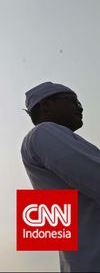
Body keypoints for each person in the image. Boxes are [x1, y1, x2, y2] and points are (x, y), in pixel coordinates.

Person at [21, 82, 100, 272]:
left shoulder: (36, 144)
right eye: (73, 102)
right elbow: (94, 176)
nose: (80, 108)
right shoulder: (43, 132)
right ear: (46, 105)